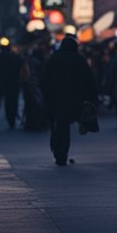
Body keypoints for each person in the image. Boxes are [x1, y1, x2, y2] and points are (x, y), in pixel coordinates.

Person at [42, 35, 98, 166]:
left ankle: (57, 150)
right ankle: (63, 151)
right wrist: (91, 97)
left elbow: (45, 78)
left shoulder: (54, 58)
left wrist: (45, 96)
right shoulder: (79, 59)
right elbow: (88, 79)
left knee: (57, 123)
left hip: (55, 98)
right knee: (65, 124)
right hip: (73, 99)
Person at [0, 40, 23, 129]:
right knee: (12, 101)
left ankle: (11, 118)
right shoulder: (14, 56)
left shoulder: (0, 57)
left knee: (9, 101)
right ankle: (12, 118)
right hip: (11, 82)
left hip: (8, 82)